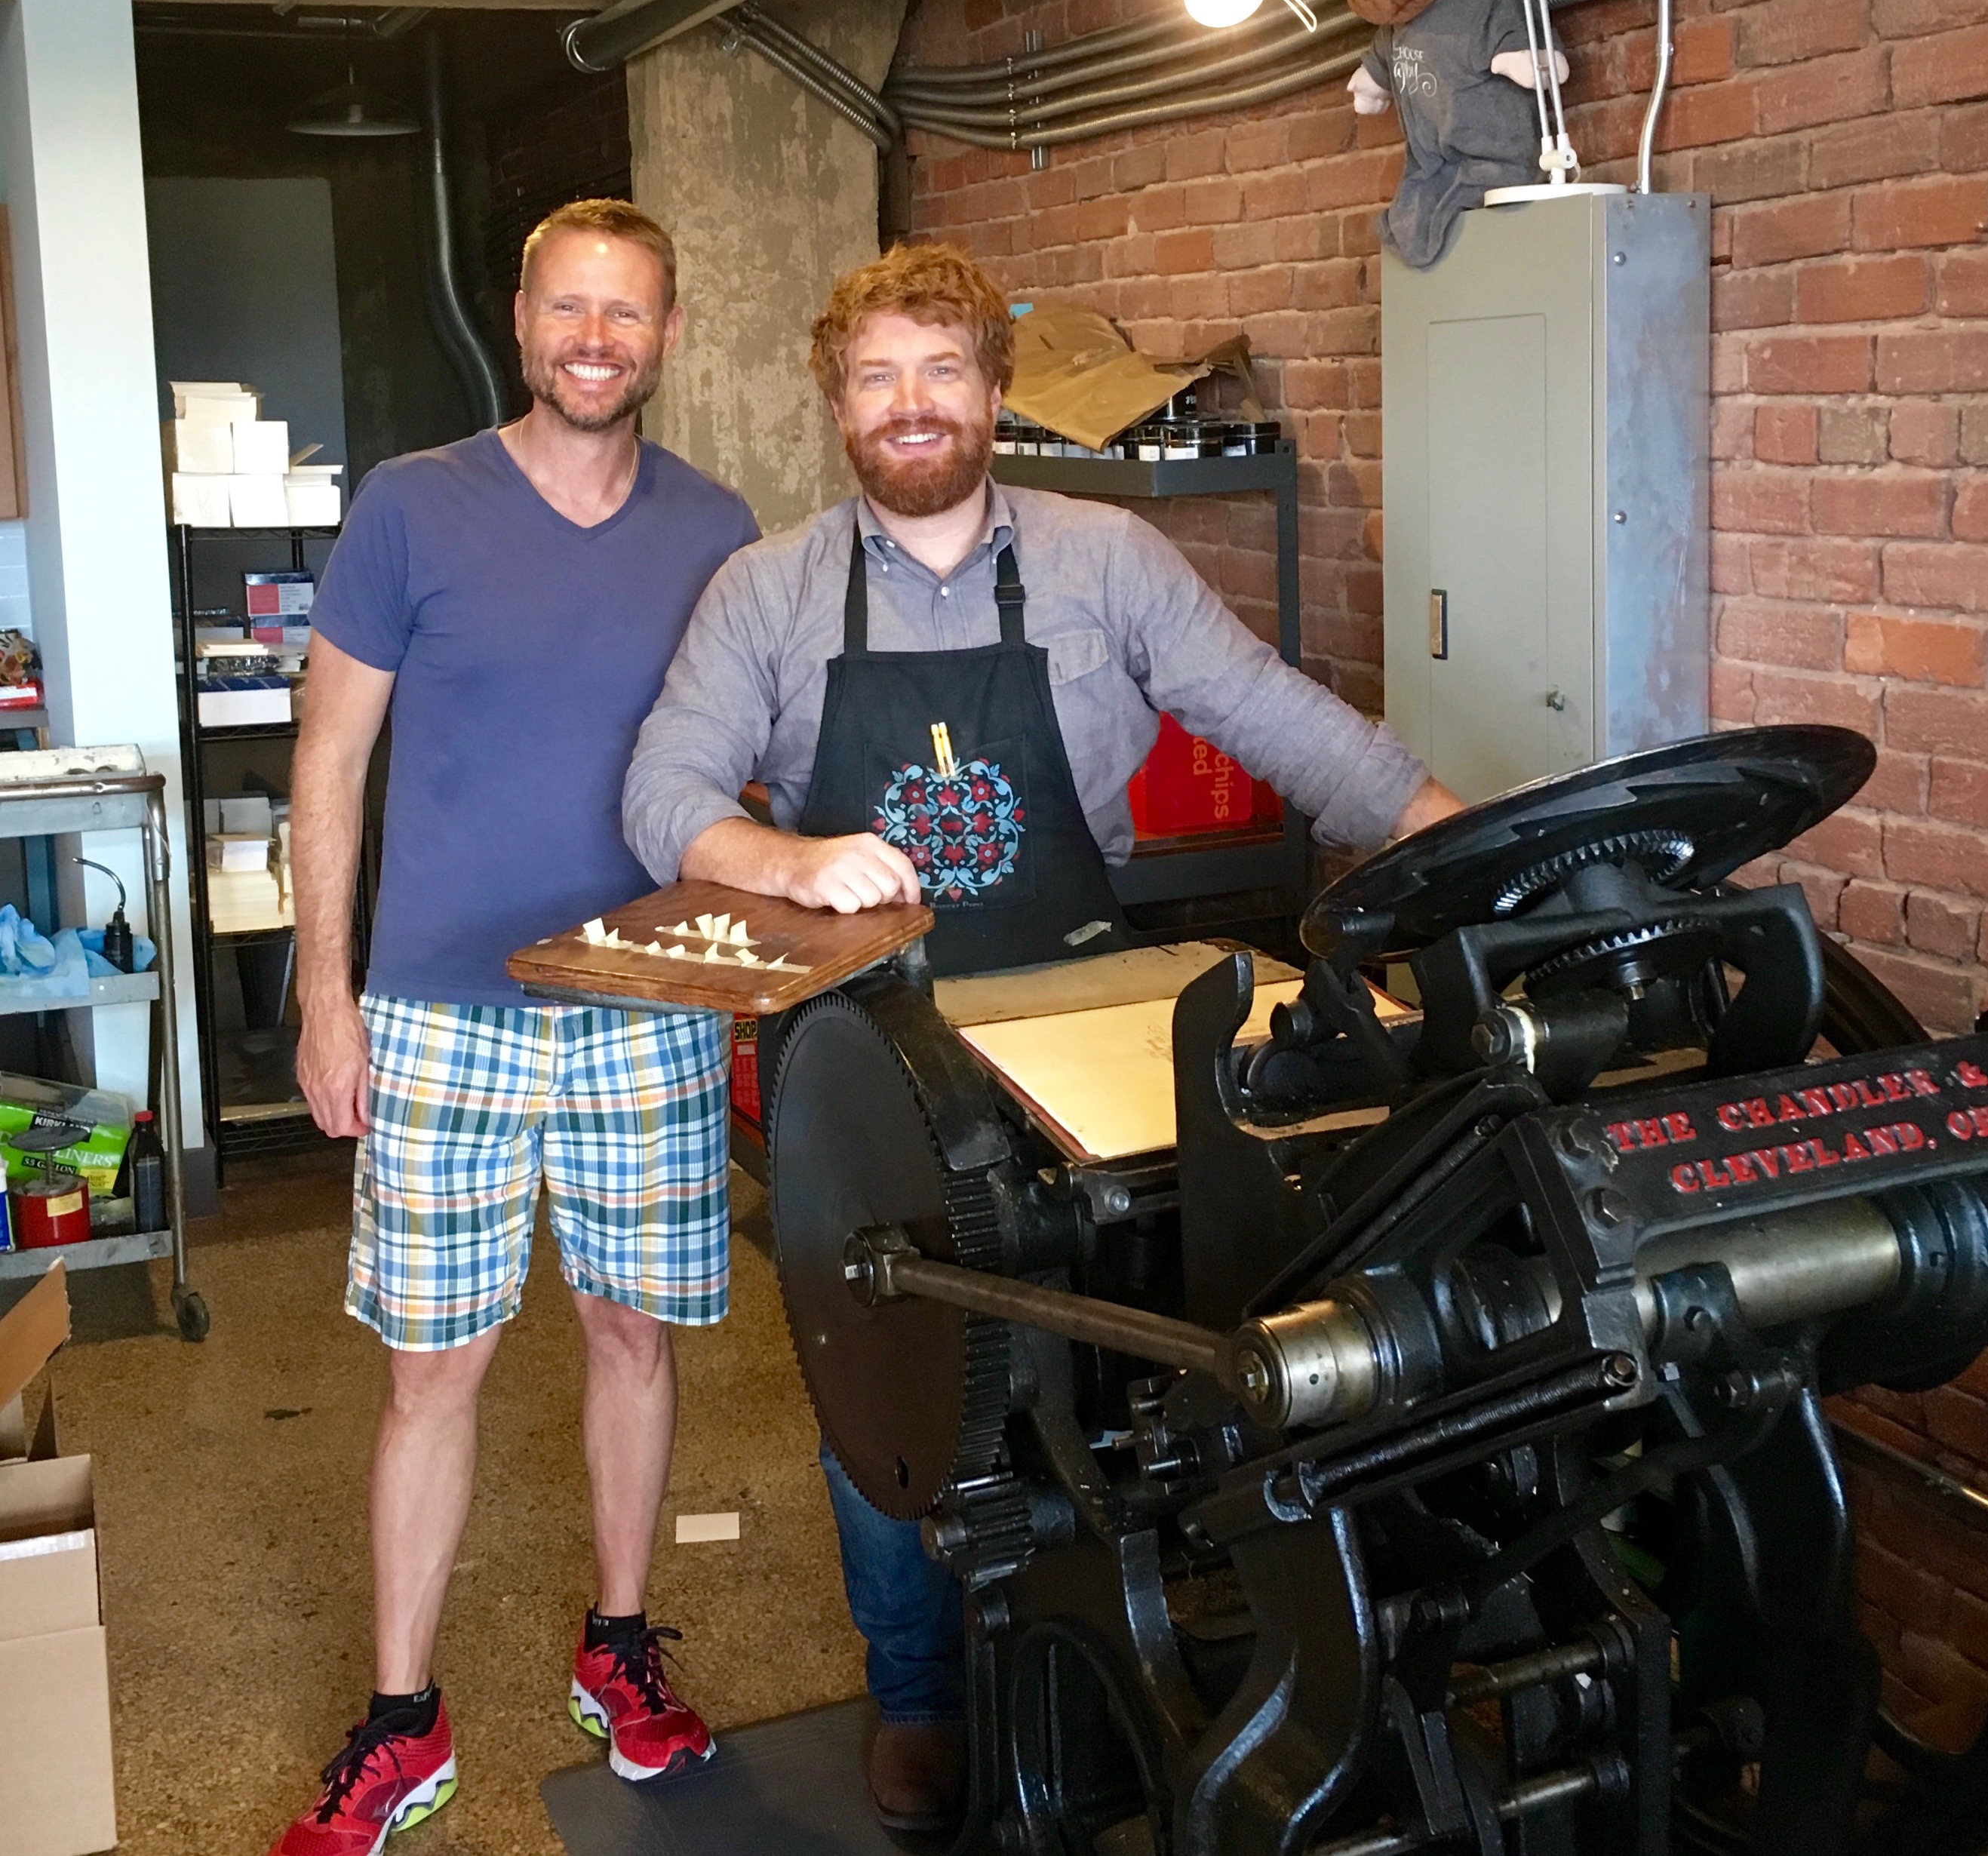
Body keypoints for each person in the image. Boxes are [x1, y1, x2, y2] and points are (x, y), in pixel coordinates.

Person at [622, 239, 1461, 1833]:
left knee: (1114, 1346)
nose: (911, 403)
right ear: (837, 404)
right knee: (888, 1388)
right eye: (878, 376)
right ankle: (920, 1692)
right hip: (865, 1054)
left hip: (1076, 1014)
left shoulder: (1105, 558)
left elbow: (1272, 713)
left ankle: (1105, 1650)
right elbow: (663, 789)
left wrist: (1453, 835)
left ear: (993, 393)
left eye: (942, 370)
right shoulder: (768, 590)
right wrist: (785, 861)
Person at [275, 198, 759, 1854]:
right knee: (434, 1370)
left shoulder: (717, 526)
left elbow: (740, 760)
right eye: (568, 306)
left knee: (633, 1335)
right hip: (436, 1010)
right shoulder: (413, 506)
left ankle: (618, 1645)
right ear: (522, 317)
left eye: (626, 311)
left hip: (643, 1003)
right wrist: (324, 993)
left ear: (667, 331)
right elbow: (329, 758)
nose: (594, 338)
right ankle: (400, 1718)